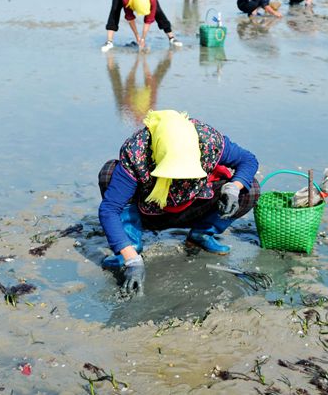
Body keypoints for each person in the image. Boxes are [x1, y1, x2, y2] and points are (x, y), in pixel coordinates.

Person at [97, 110, 261, 295]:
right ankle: (131, 244)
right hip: (149, 211)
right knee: (109, 174)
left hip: (195, 205)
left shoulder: (208, 140)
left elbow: (248, 160)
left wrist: (233, 188)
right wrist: (132, 260)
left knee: (250, 188)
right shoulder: (137, 151)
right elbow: (110, 209)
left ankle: (202, 234)